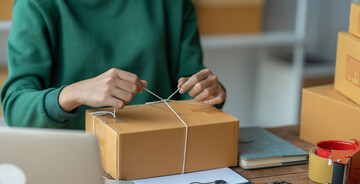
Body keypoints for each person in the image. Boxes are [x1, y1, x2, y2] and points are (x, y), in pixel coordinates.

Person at [1, 0, 226, 130]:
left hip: (161, 157)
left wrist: (207, 94)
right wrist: (74, 93)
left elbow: (190, 88)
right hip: (73, 163)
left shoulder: (173, 4)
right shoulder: (37, 4)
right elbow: (15, 108)